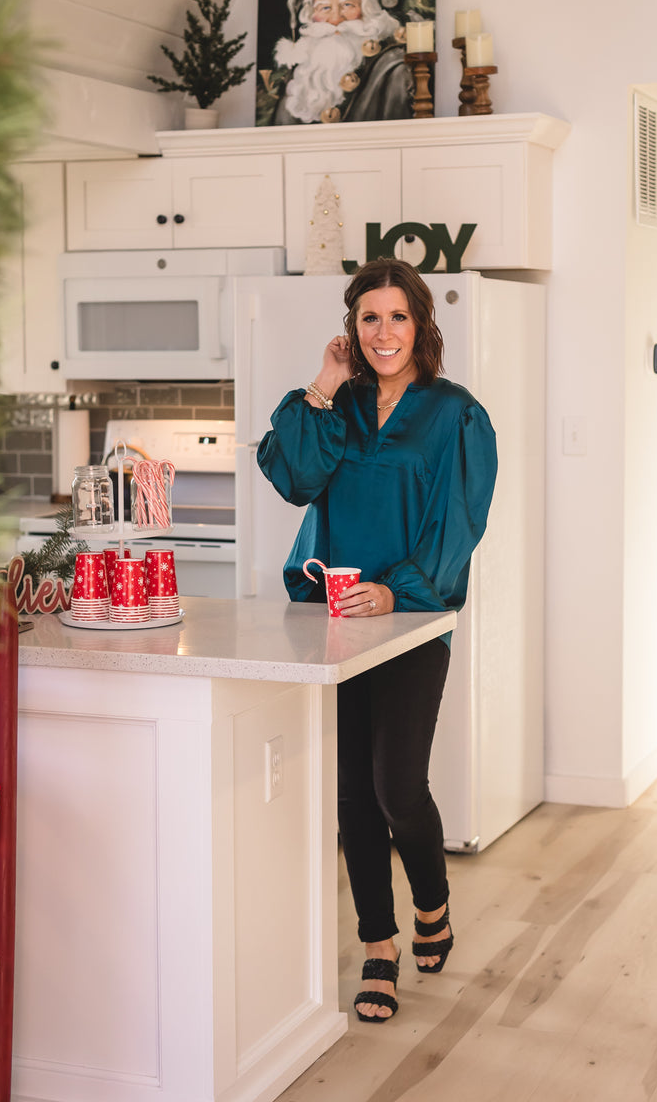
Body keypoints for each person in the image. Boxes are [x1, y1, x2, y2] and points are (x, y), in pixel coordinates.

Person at [256, 258, 497, 1022]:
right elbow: (293, 476)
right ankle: (378, 947)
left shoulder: (457, 413)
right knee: (354, 795)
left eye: (397, 317)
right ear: (352, 329)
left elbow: (462, 523)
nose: (383, 332)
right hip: (336, 618)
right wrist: (322, 386)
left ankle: (432, 898)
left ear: (421, 325)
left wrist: (397, 589)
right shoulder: (341, 406)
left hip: (412, 617)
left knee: (399, 786)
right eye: (369, 318)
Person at [261, 0, 413, 125]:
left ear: (368, 11)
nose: (335, 19)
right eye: (325, 8)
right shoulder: (301, 73)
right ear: (311, 16)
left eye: (347, 5)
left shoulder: (392, 67)